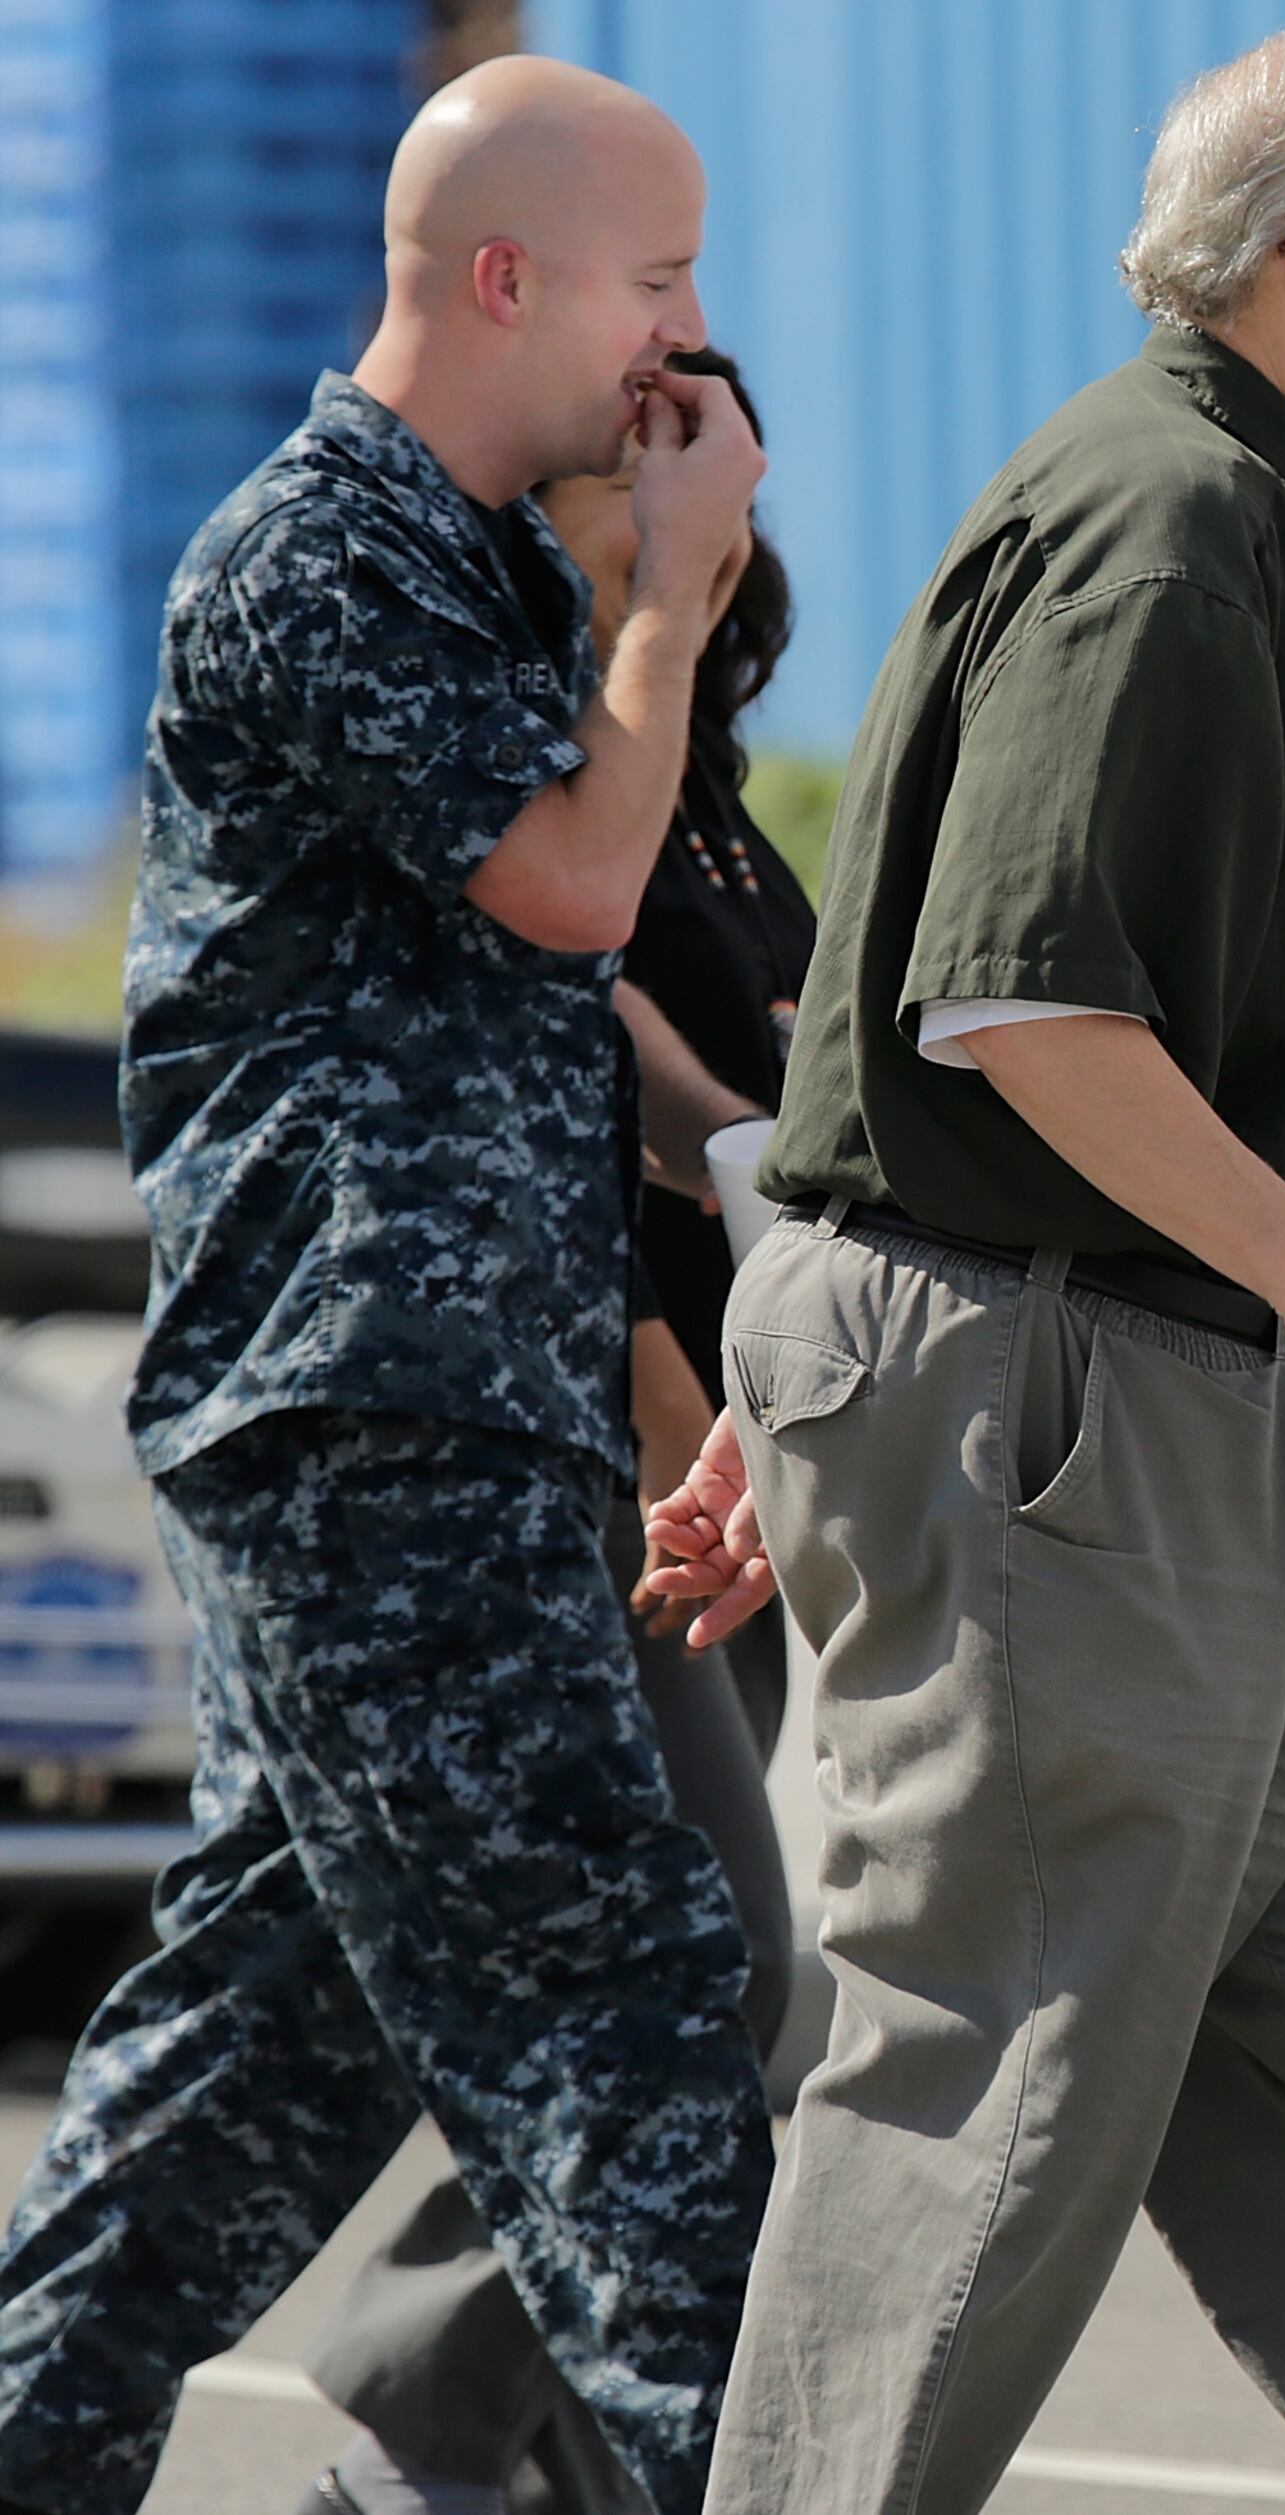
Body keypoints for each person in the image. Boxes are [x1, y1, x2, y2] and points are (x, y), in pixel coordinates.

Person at [638, 28, 1285, 2515]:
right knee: (987, 2097)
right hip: (1136, 1417)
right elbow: (1019, 1008)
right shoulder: (1176, 521)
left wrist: (879, 1386)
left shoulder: (1272, 525)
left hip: (1231, 1433)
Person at [0, 57, 776, 2515]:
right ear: (505, 278)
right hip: (372, 1395)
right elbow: (565, 875)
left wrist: (750, 1161)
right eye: (655, 283)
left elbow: (559, 983)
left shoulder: (485, 557)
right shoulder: (316, 546)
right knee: (624, 2018)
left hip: (458, 1392)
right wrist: (668, 608)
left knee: (254, 2066)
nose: (683, 345)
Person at [288, 342, 810, 2515]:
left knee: (628, 1983)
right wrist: (660, 1375)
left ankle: (501, 2462)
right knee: (709, 1971)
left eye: (718, 456)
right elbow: (531, 1109)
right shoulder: (514, 745)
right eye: (652, 457)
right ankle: (424, 2408)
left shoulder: (685, 761)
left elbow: (721, 1091)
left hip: (744, 1446)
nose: (699, 491)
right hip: (595, 1440)